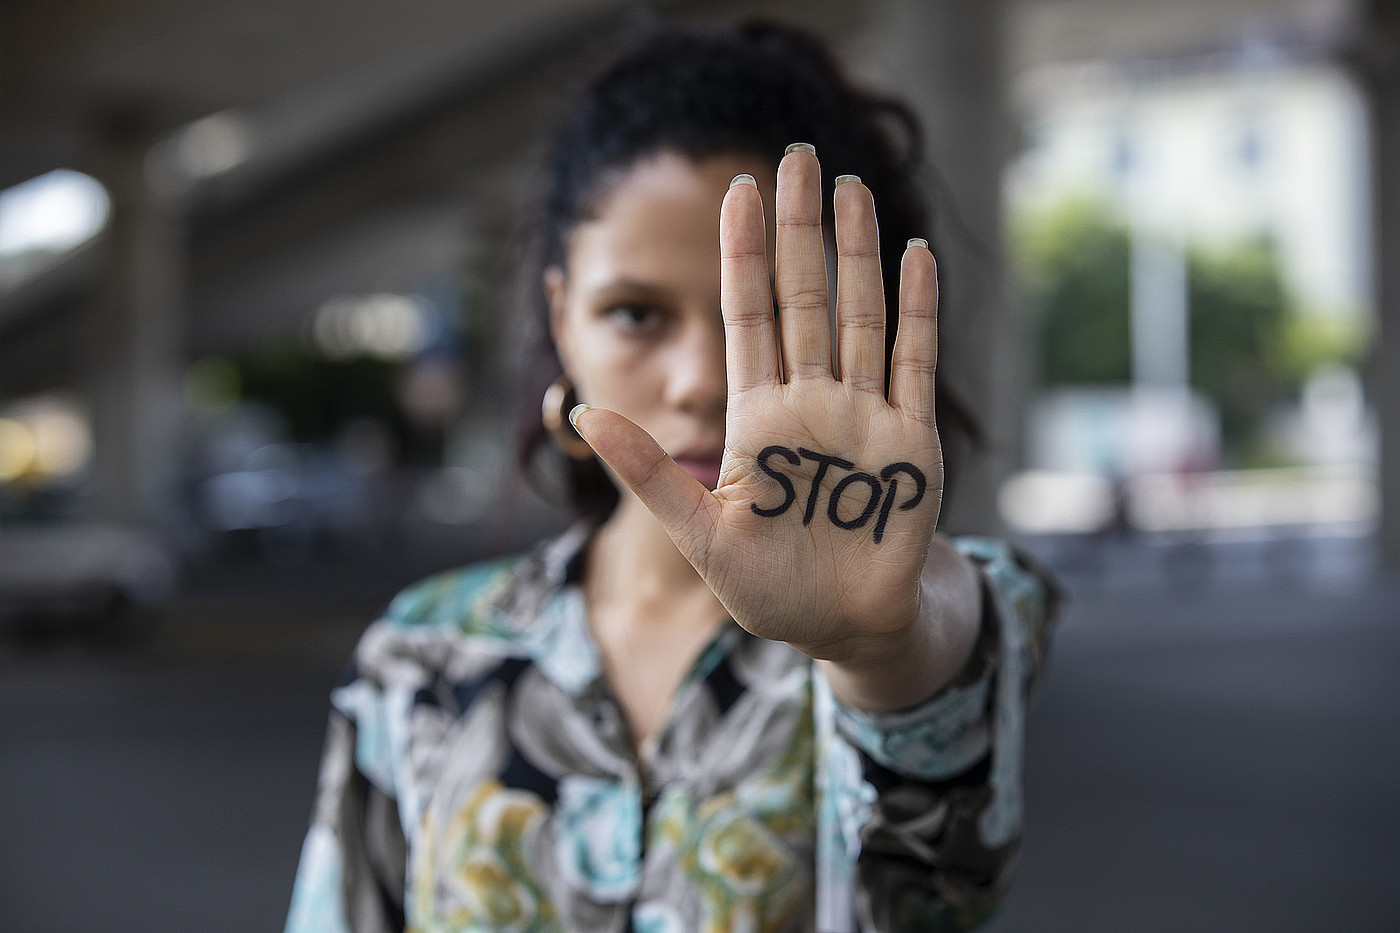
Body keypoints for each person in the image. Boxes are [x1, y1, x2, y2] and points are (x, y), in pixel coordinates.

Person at [285, 20, 1056, 933]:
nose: (700, 379)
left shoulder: (922, 619)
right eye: (637, 312)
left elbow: (938, 886)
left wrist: (879, 648)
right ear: (563, 319)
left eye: (754, 310)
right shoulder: (424, 655)